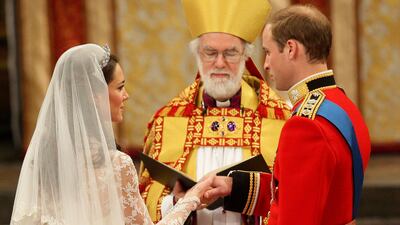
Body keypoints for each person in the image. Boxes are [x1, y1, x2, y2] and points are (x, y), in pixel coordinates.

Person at [203, 4, 371, 225]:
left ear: (291, 49)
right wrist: (235, 187)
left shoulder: (306, 125)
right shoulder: (343, 106)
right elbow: (303, 193)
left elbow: (296, 217)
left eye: (269, 52)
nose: (266, 64)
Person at [10, 43, 212, 225]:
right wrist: (190, 200)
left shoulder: (43, 161)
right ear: (95, 95)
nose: (126, 95)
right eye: (120, 87)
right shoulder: (116, 166)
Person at [139, 0, 290, 224]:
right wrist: (176, 202)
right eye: (210, 53)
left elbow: (292, 196)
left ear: (245, 56)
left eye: (230, 53)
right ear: (198, 55)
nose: (219, 63)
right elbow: (143, 199)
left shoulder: (279, 118)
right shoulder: (168, 119)